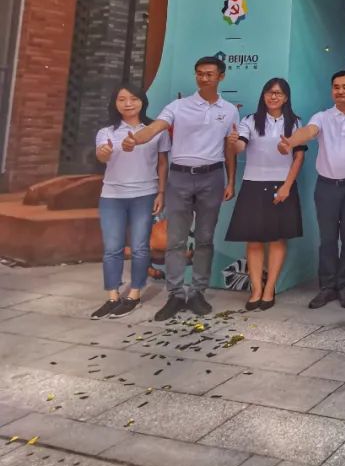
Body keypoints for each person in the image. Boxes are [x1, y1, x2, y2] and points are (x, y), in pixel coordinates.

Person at [125, 56, 239, 321]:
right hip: (180, 178)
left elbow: (229, 148)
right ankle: (175, 294)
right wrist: (135, 140)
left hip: (212, 177)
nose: (203, 78)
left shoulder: (229, 110)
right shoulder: (178, 106)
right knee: (175, 240)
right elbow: (156, 127)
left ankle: (198, 292)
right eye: (199, 73)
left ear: (221, 76)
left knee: (205, 238)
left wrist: (231, 180)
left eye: (209, 74)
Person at [280, 70, 345, 309]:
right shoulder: (322, 117)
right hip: (326, 187)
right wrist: (291, 141)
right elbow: (309, 131)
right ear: (332, 90)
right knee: (328, 239)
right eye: (336, 87)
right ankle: (327, 287)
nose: (340, 91)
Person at [225, 77, 306, 311]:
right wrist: (233, 142)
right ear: (263, 95)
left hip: (282, 185)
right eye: (270, 92)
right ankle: (256, 290)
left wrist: (287, 186)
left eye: (278, 93)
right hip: (253, 185)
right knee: (254, 241)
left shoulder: (295, 122)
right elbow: (240, 147)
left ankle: (270, 288)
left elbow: (299, 157)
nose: (273, 96)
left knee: (277, 240)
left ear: (286, 98)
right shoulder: (250, 120)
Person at [91, 84, 170, 319]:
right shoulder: (106, 131)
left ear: (142, 101)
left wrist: (161, 192)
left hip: (144, 195)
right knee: (112, 249)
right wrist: (104, 153)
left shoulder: (155, 130)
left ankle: (134, 295)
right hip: (112, 196)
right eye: (122, 99)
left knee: (140, 247)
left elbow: (163, 163)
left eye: (133, 99)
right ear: (115, 103)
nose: (128, 104)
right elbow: (100, 154)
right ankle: (112, 296)